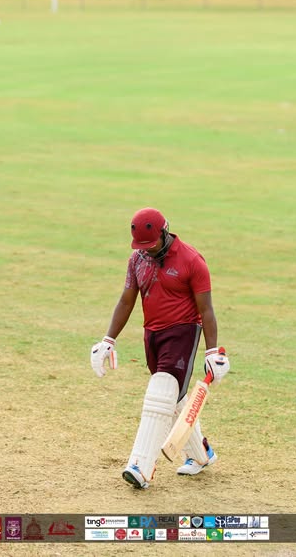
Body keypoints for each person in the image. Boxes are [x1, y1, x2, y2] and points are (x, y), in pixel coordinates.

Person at [90, 207, 230, 489]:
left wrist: (212, 351)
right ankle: (201, 454)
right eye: (141, 247)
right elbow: (127, 300)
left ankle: (140, 466)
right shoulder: (137, 260)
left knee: (159, 394)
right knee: (173, 401)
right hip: (152, 334)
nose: (147, 251)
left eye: (151, 245)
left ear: (165, 232)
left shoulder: (192, 260)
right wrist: (108, 339)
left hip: (183, 332)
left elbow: (207, 309)